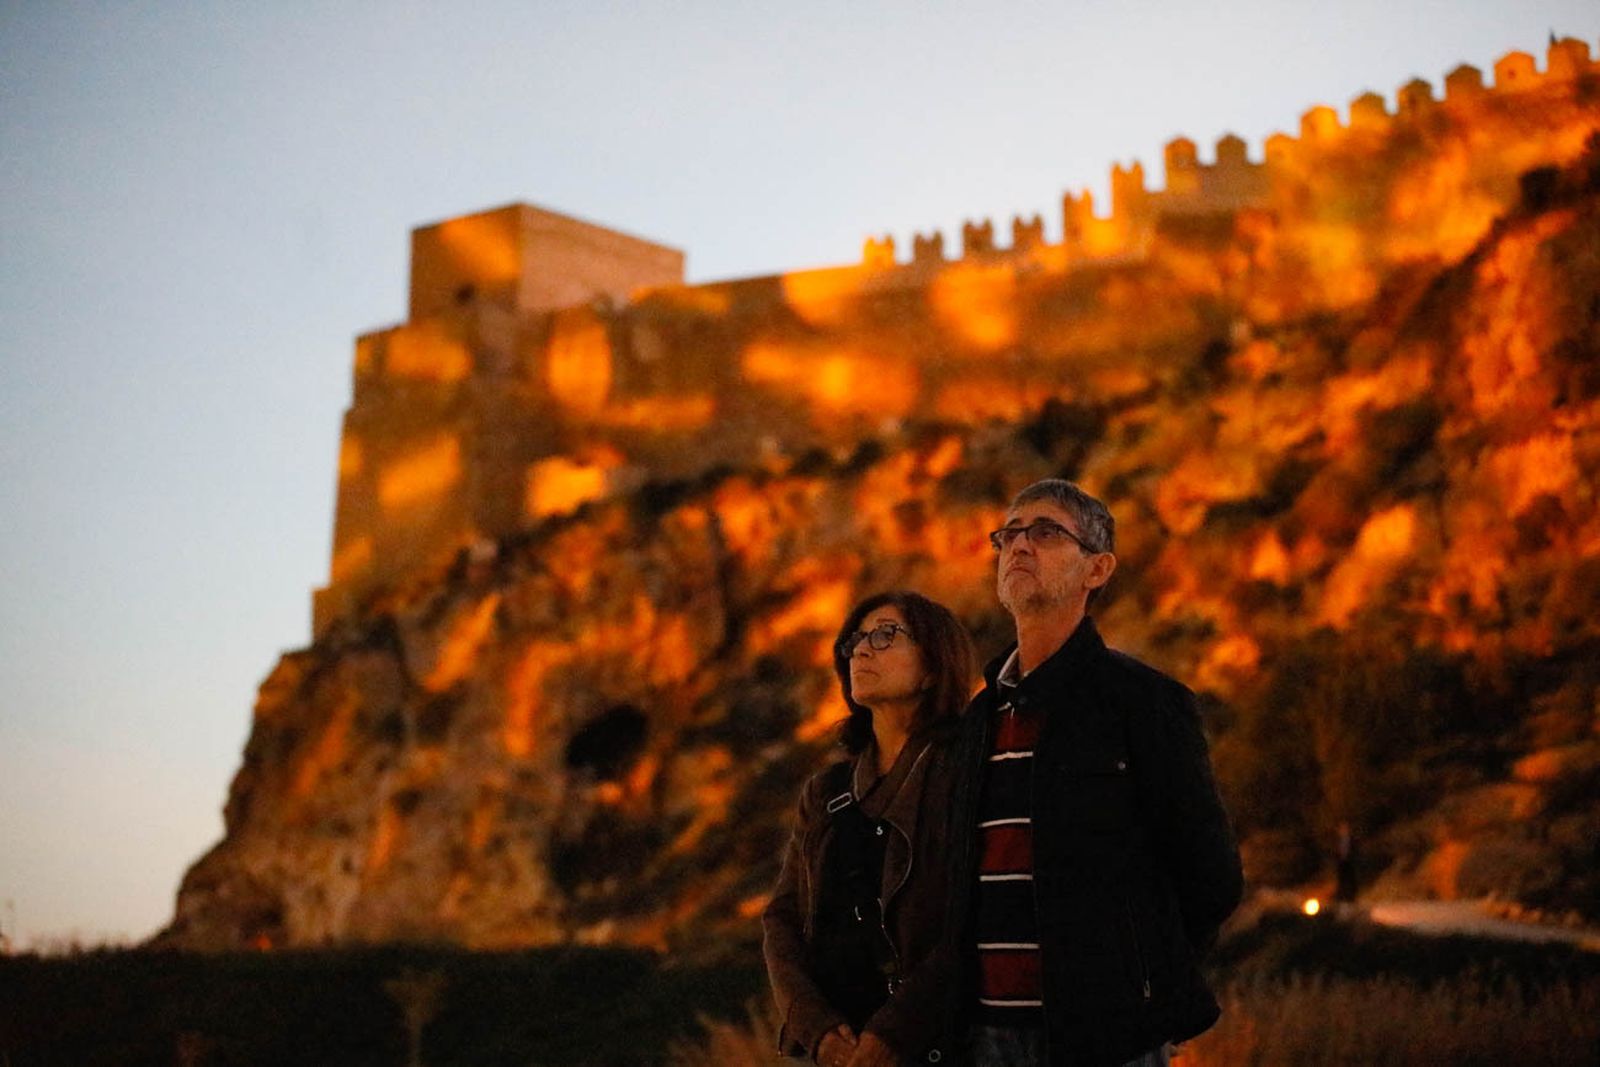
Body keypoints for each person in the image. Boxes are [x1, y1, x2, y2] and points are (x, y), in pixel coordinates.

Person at [950, 479, 1244, 1067]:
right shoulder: (979, 719)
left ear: (1097, 569)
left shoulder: (1142, 702)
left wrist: (1142, 990)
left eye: (1045, 532)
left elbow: (1210, 876)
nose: (1018, 546)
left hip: (1102, 1037)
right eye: (1007, 534)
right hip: (979, 1038)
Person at [764, 591, 978, 1067]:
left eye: (886, 635)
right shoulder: (827, 792)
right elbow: (783, 919)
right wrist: (817, 1031)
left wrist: (893, 1035)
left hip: (943, 1048)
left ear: (933, 665)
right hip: (842, 1049)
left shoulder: (968, 773)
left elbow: (971, 923)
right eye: (856, 640)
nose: (861, 649)